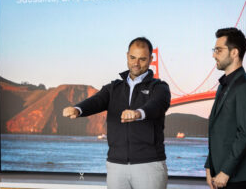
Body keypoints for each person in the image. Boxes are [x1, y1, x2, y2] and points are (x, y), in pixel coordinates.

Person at [63, 37, 171, 189]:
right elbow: (96, 101)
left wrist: (138, 113)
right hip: (116, 166)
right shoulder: (113, 88)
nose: (136, 63)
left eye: (142, 59)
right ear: (127, 56)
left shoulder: (160, 87)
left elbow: (157, 105)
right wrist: (78, 109)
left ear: (151, 59)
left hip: (149, 165)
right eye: (133, 57)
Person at [205, 28, 246, 189]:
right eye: (214, 50)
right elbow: (218, 131)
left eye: (218, 50)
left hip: (237, 177)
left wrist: (226, 172)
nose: (214, 55)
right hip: (220, 174)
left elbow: (244, 133)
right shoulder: (224, 85)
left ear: (234, 52)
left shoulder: (245, 87)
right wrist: (209, 166)